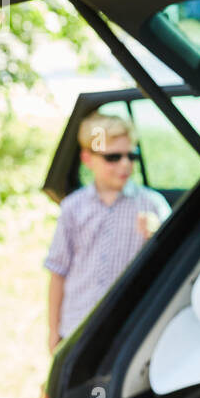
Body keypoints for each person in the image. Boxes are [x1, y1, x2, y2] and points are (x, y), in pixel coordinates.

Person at [45, 112, 171, 354]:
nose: (125, 164)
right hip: (78, 325)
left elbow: (173, 265)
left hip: (129, 327)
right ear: (87, 159)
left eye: (130, 156)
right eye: (113, 157)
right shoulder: (73, 208)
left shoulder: (152, 205)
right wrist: (53, 330)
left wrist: (156, 238)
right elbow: (58, 271)